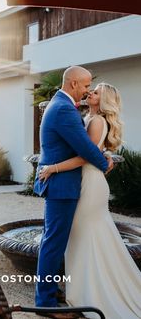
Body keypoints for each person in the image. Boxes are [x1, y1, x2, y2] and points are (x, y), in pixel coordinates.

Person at [39, 83, 141, 319]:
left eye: (94, 92)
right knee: (86, 237)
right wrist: (104, 155)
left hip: (89, 185)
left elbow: (84, 156)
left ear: (102, 100)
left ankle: (91, 291)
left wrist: (52, 168)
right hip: (84, 182)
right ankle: (87, 288)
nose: (89, 93)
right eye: (89, 89)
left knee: (85, 236)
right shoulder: (88, 117)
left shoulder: (96, 121)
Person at [34, 66, 112, 319]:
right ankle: (46, 304)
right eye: (87, 85)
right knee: (53, 243)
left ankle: (51, 292)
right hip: (62, 186)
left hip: (62, 184)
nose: (89, 90)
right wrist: (105, 163)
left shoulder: (59, 105)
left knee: (53, 241)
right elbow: (86, 149)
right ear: (75, 84)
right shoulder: (65, 109)